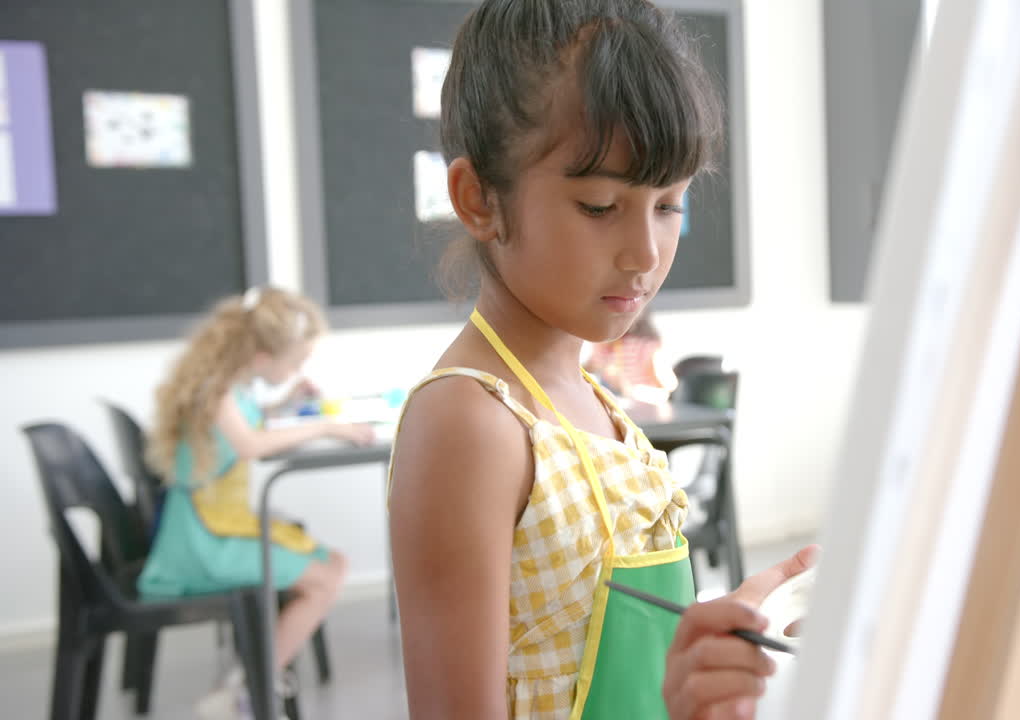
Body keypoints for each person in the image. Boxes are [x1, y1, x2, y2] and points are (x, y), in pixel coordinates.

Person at [387, 2, 817, 718]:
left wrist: (709, 647)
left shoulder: (594, 402)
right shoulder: (471, 422)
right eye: (598, 206)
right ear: (478, 199)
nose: (644, 254)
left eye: (669, 205)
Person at [139, 286, 374, 719]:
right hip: (203, 542)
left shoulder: (229, 387)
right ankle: (248, 689)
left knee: (332, 564)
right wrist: (326, 427)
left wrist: (288, 401)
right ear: (263, 356)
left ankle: (249, 679)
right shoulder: (217, 391)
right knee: (326, 577)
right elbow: (248, 444)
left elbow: (247, 425)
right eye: (296, 362)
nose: (298, 369)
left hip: (209, 527)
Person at [584, 307, 678, 404]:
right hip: (619, 398)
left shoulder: (648, 345)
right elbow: (590, 368)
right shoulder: (605, 345)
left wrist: (632, 390)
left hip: (640, 399)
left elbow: (668, 383)